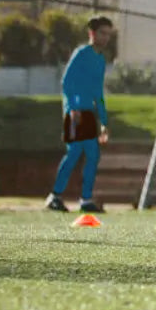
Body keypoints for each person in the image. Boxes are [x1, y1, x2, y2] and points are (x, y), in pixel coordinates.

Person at [45, 16, 113, 213]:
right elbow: (66, 82)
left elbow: (98, 92)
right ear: (92, 33)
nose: (106, 37)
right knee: (73, 153)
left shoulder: (100, 60)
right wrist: (72, 108)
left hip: (89, 114)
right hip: (75, 113)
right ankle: (54, 197)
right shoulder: (81, 54)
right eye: (102, 33)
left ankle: (86, 200)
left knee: (93, 155)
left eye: (108, 34)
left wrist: (104, 121)